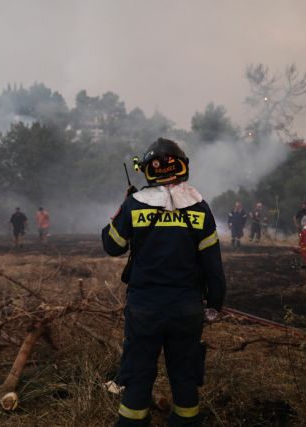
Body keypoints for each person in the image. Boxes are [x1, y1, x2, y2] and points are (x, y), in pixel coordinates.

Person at [102, 137, 226, 427]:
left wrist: (124, 206)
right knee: (185, 374)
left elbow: (112, 245)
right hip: (187, 309)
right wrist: (215, 304)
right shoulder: (199, 208)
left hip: (145, 309)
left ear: (148, 170)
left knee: (139, 373)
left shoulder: (134, 205)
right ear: (182, 167)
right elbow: (213, 265)